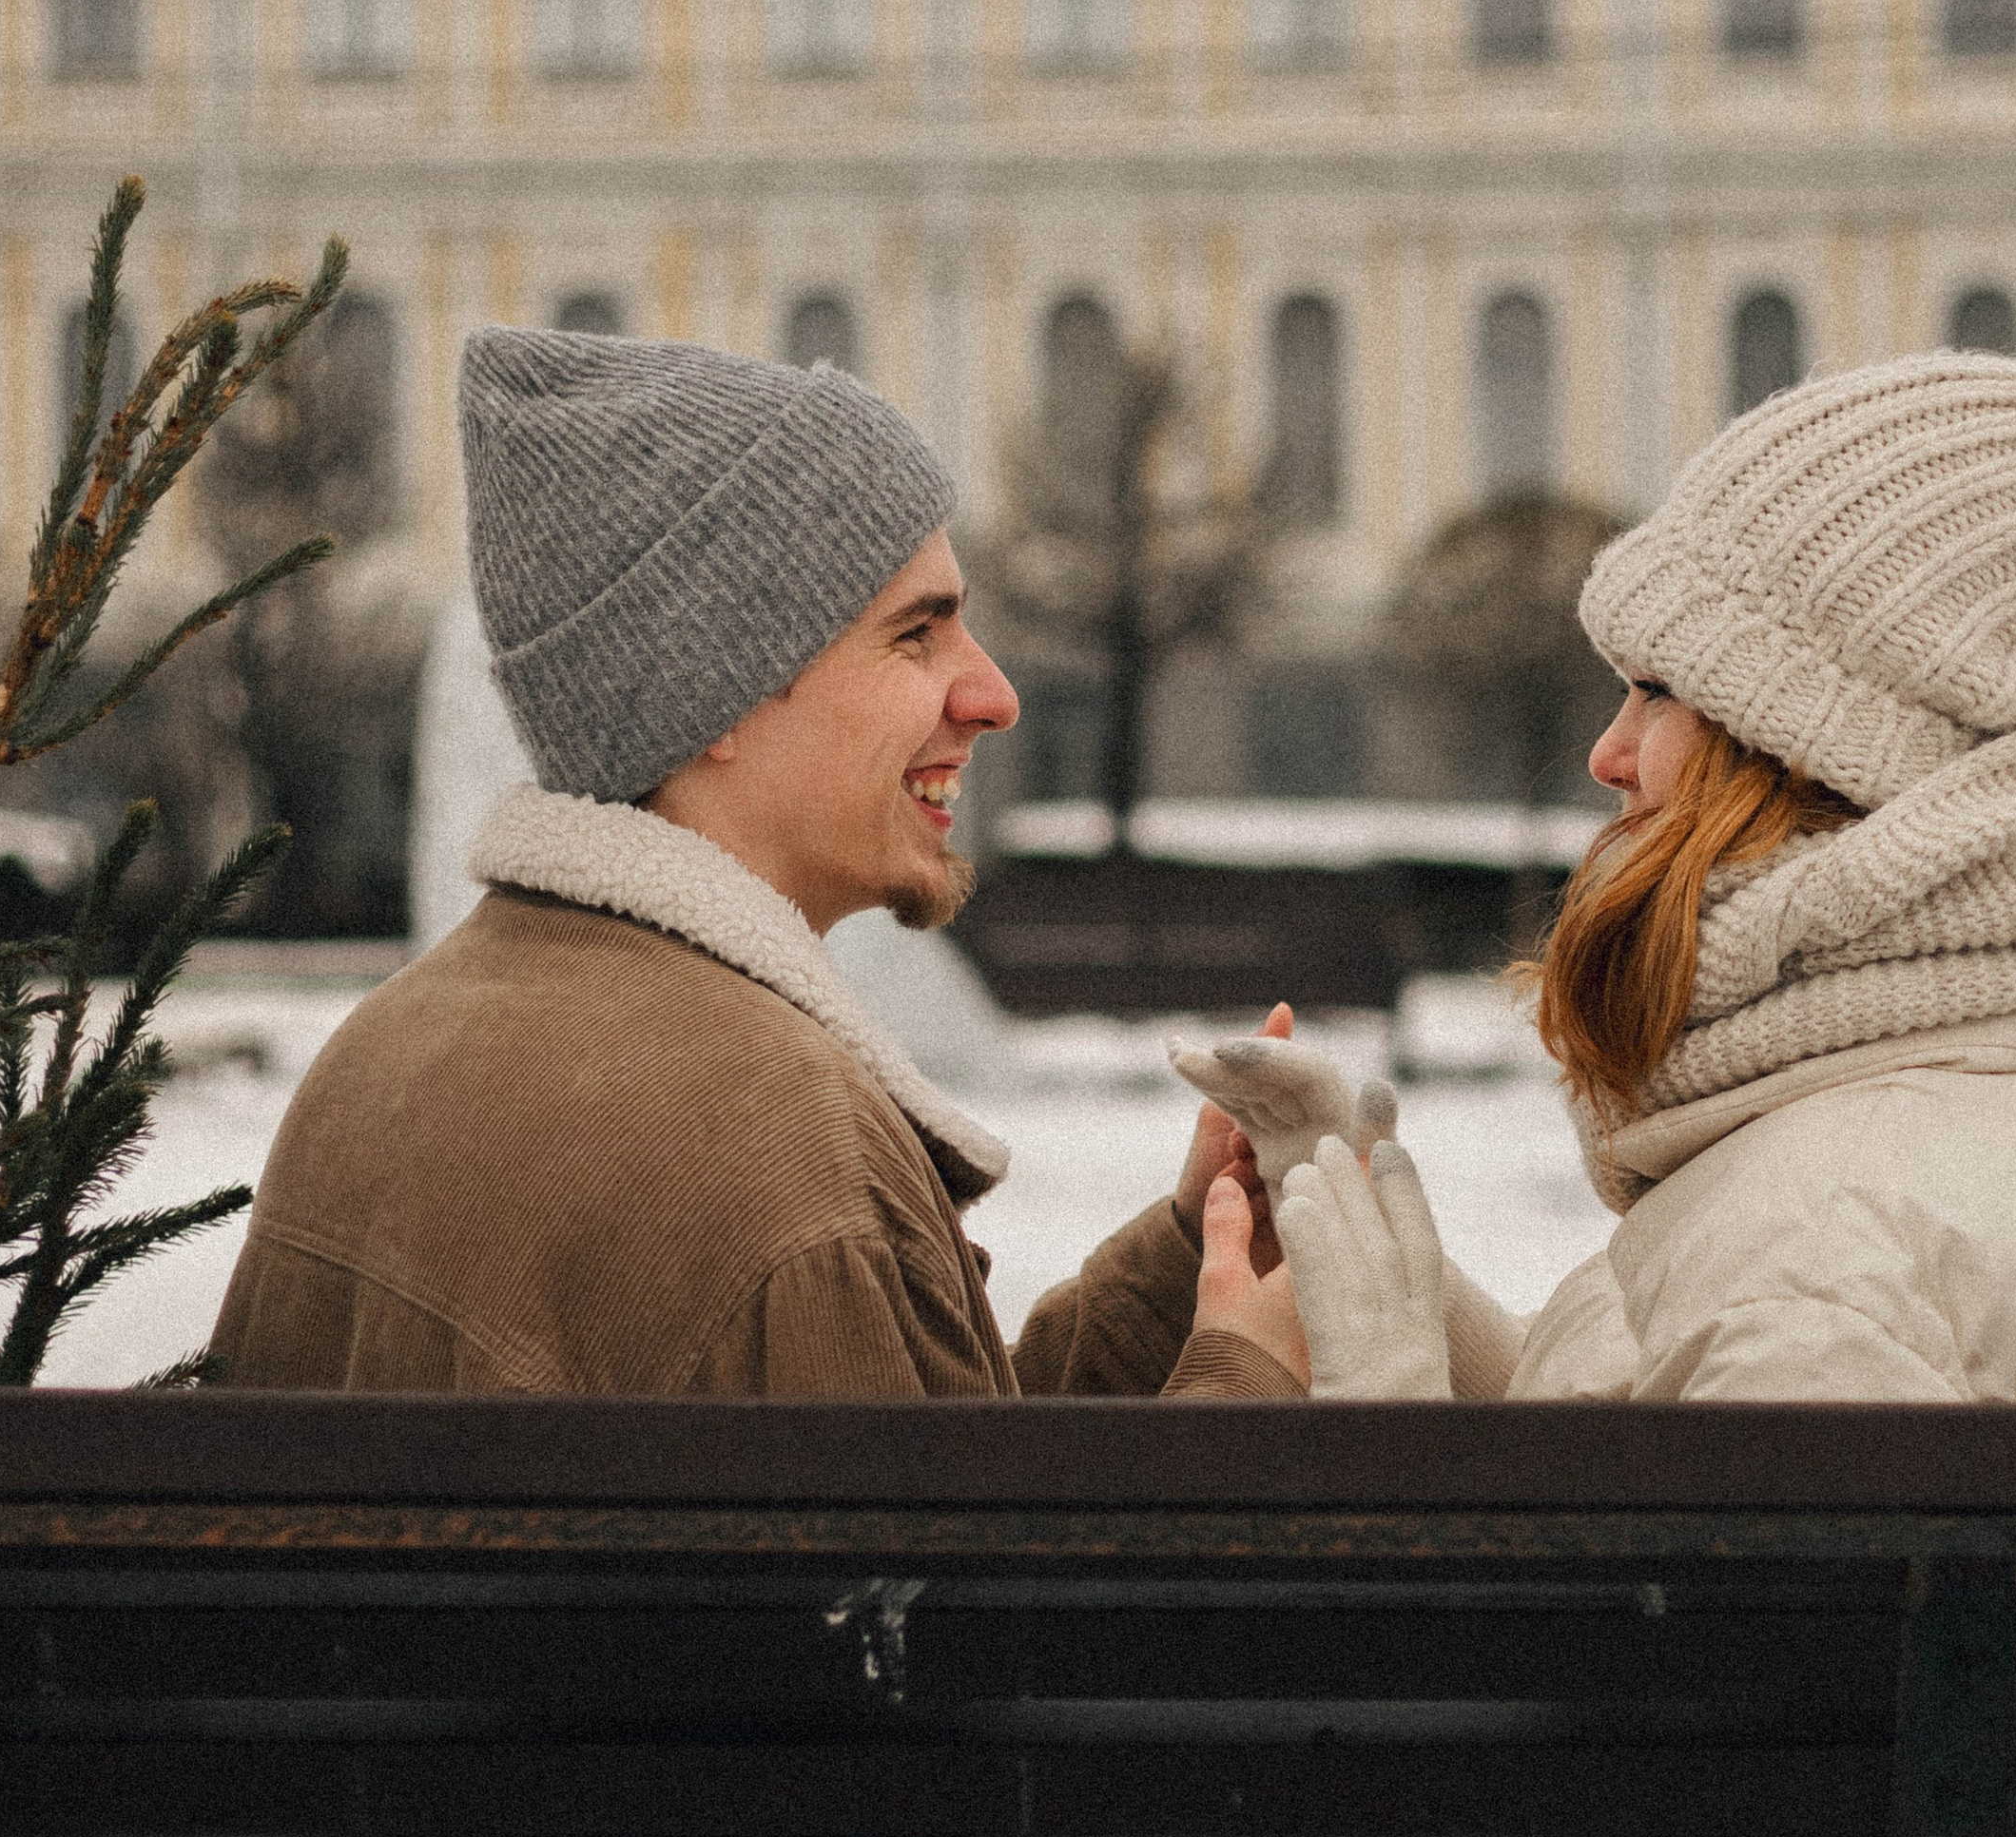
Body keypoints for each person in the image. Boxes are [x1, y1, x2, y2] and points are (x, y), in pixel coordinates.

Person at [207, 324, 1302, 1402]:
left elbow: (922, 1499)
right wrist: (1245, 1381)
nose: (994, 696)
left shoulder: (384, 1054)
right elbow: (947, 1582)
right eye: (916, 635)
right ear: (711, 694)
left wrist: (1175, 1285)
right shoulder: (784, 1157)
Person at [1180, 350, 2016, 1405]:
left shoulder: (1816, 1251)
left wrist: (1388, 1403)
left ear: (1821, 742)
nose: (1607, 754)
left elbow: (1663, 1582)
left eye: (1658, 689)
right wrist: (1394, 1280)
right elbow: (1673, 1427)